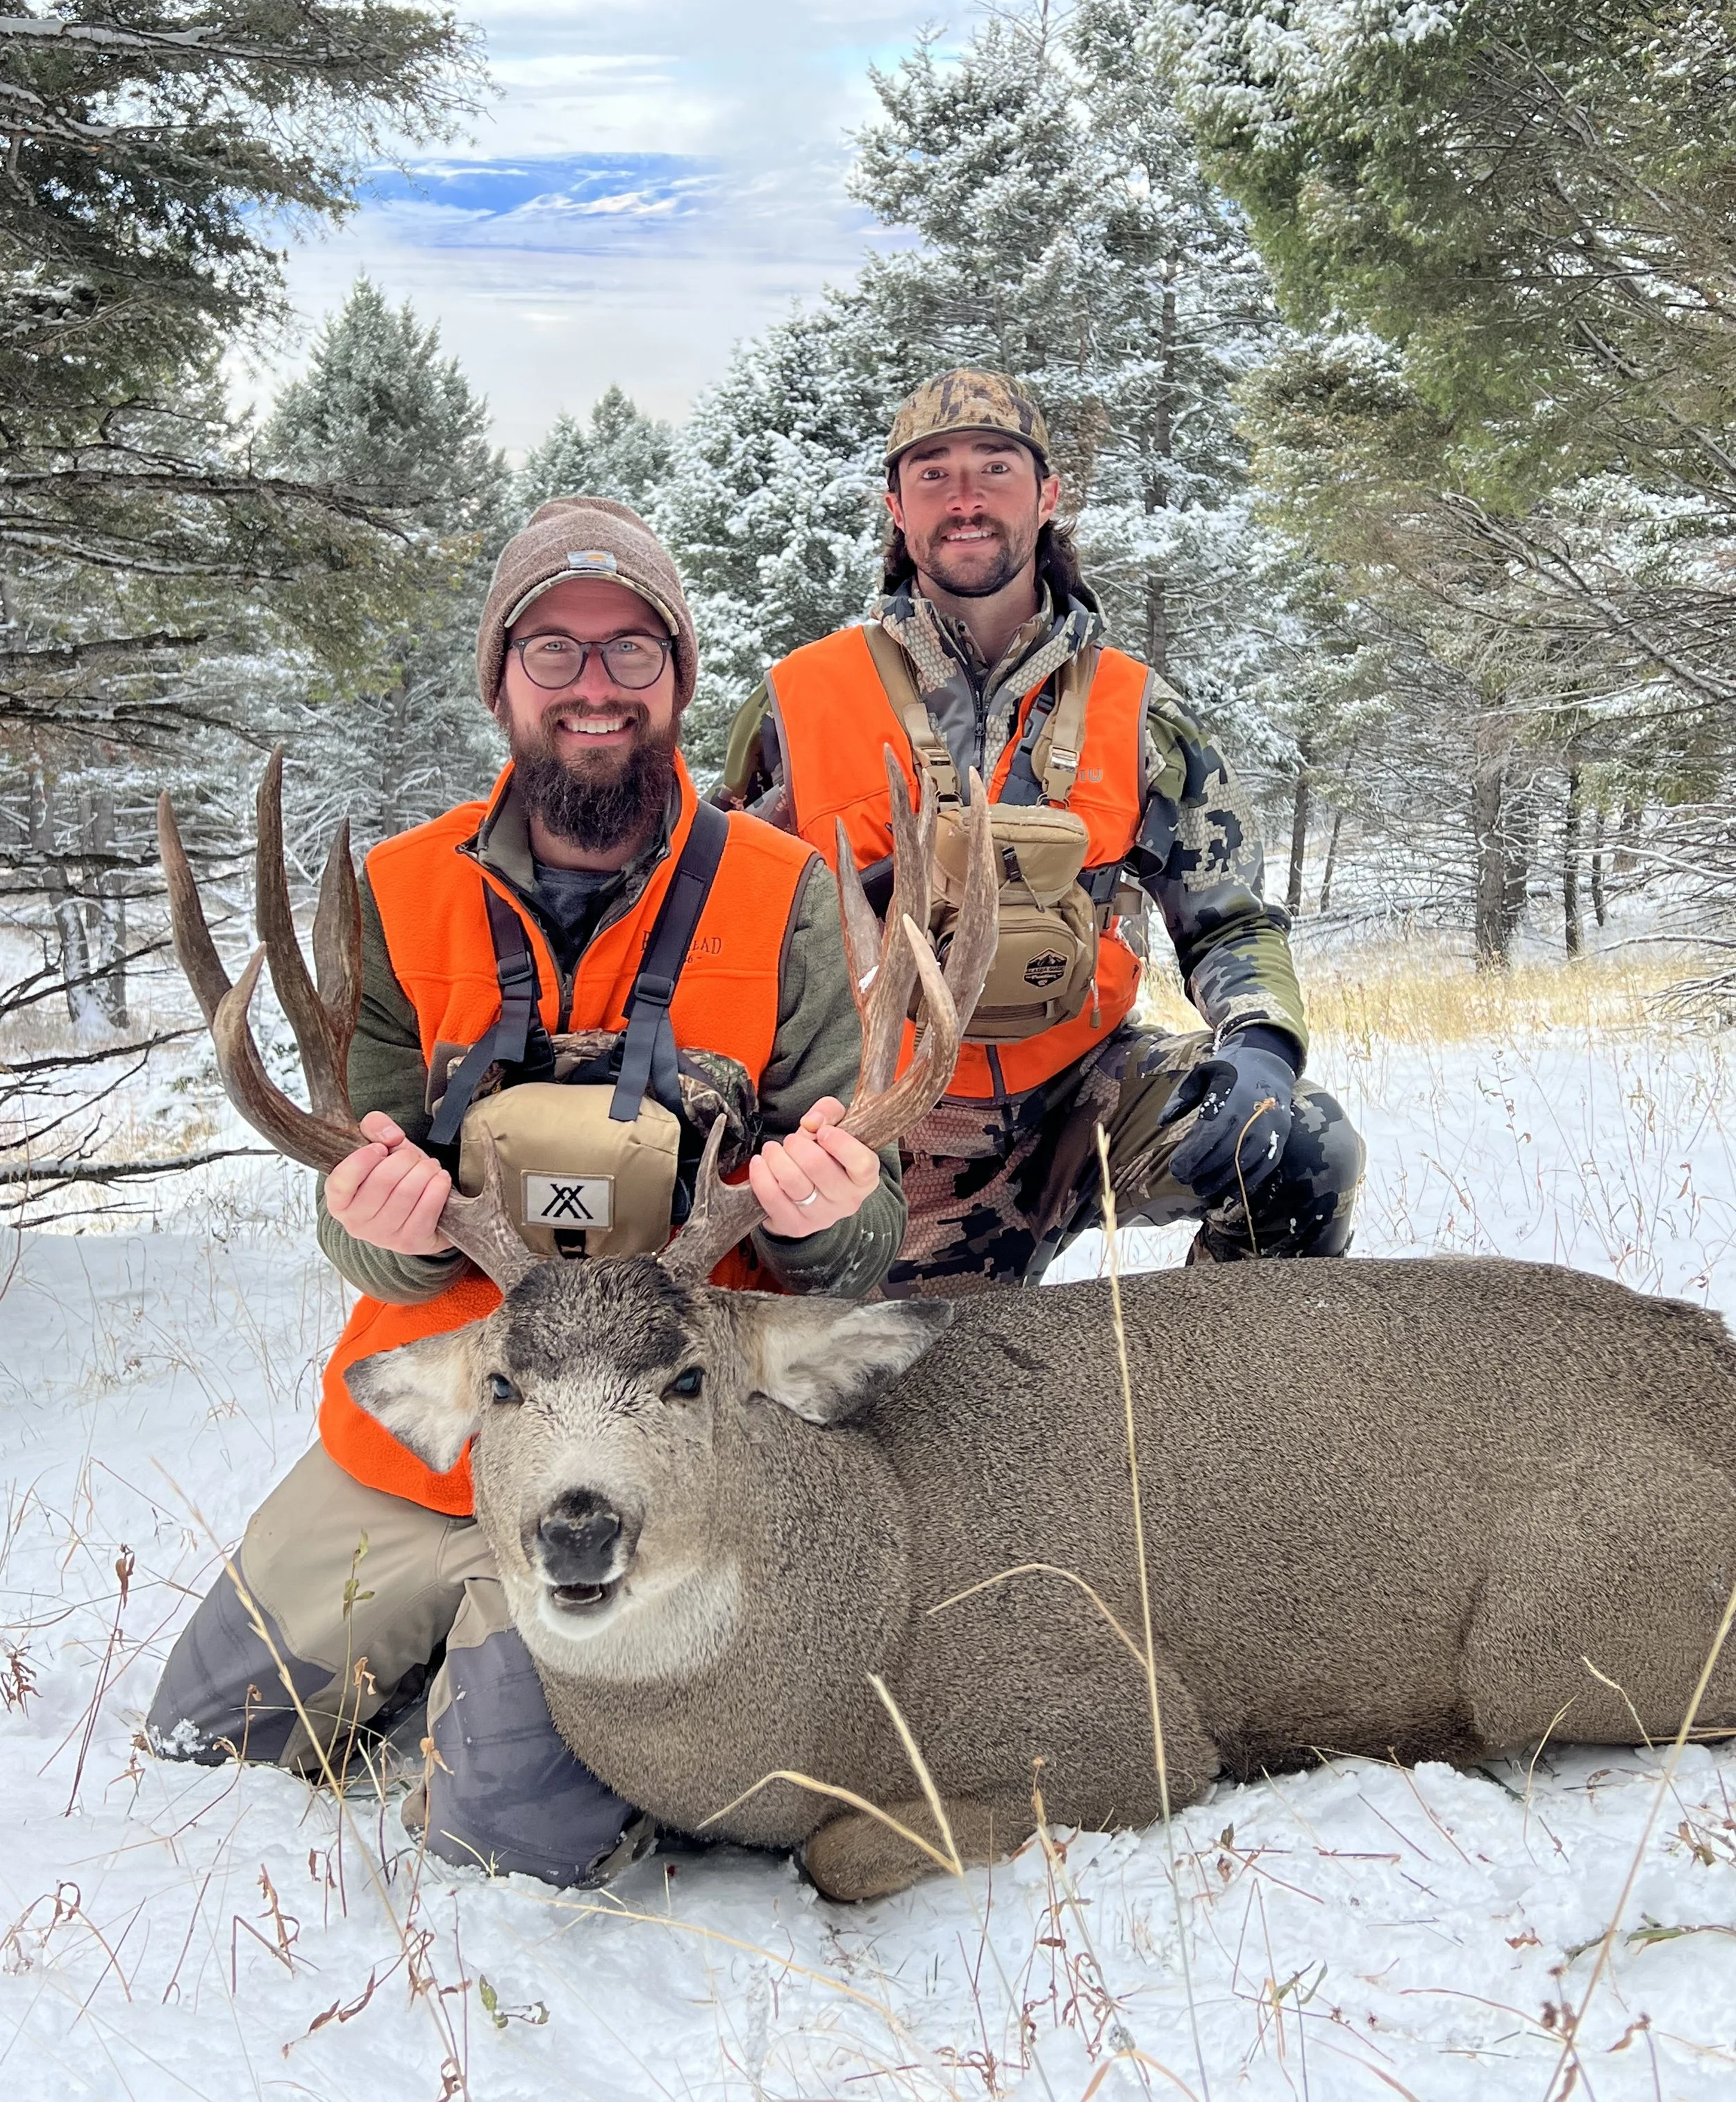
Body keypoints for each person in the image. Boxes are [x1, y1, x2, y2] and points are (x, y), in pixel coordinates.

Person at [148, 497, 903, 1889]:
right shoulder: (395, 892)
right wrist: (374, 1230)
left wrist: (821, 1212)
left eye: (633, 650)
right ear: (498, 678)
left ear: (679, 677)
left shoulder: (786, 893)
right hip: (434, 1424)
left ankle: (541, 1711)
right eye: (552, 650)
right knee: (205, 1741)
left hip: (661, 1460)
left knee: (496, 1844)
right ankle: (458, 1654)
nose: (594, 686)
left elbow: (865, 1226)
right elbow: (354, 1209)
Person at [721, 369, 1363, 1290]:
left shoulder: (1136, 709)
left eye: (996, 469)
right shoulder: (798, 702)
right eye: (934, 475)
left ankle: (1229, 1408)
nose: (967, 498)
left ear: (1048, 497)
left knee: (1302, 1141)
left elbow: (1230, 921)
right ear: (896, 507)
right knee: (899, 1399)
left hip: (1076, 1102)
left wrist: (1260, 1046)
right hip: (877, 1132)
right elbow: (715, 909)